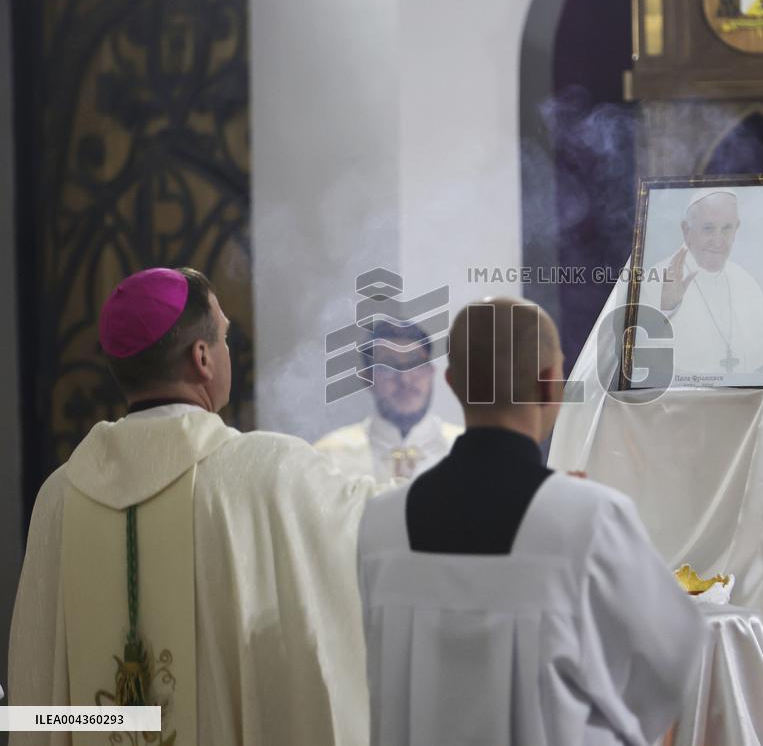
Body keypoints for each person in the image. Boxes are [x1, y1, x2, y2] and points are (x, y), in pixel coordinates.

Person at [9, 267, 381, 746]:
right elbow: (381, 531)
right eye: (224, 337)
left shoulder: (59, 496)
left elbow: (36, 694)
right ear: (202, 357)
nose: (228, 350)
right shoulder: (264, 473)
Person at [357, 297, 707, 745]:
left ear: (451, 384)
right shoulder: (590, 518)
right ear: (549, 386)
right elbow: (670, 665)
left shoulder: (381, 526)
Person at [315, 321, 461, 482]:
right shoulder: (329, 459)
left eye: (415, 363)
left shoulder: (471, 452)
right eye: (388, 366)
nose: (405, 379)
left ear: (431, 371)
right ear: (368, 378)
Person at [647, 190, 763, 378]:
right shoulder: (654, 280)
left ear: (737, 229)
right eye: (708, 228)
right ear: (686, 230)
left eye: (727, 228)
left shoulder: (747, 283)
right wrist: (666, 309)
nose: (718, 240)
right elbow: (641, 367)